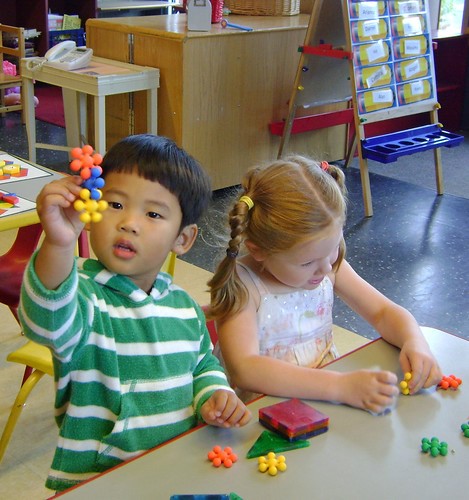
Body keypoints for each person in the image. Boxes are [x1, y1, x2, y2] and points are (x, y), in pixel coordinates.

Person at [19, 134, 251, 492]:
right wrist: (59, 243)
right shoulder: (83, 294)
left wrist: (215, 394)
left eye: (153, 213)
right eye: (114, 204)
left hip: (172, 473)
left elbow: (202, 364)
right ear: (91, 208)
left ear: (183, 240)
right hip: (99, 482)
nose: (129, 222)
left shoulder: (183, 307)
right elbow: (47, 319)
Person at [208, 155, 442, 412]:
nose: (326, 268)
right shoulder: (243, 284)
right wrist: (339, 386)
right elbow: (246, 369)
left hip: (324, 401)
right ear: (259, 250)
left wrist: (414, 341)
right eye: (307, 263)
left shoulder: (327, 264)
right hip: (259, 412)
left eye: (332, 249)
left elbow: (383, 312)